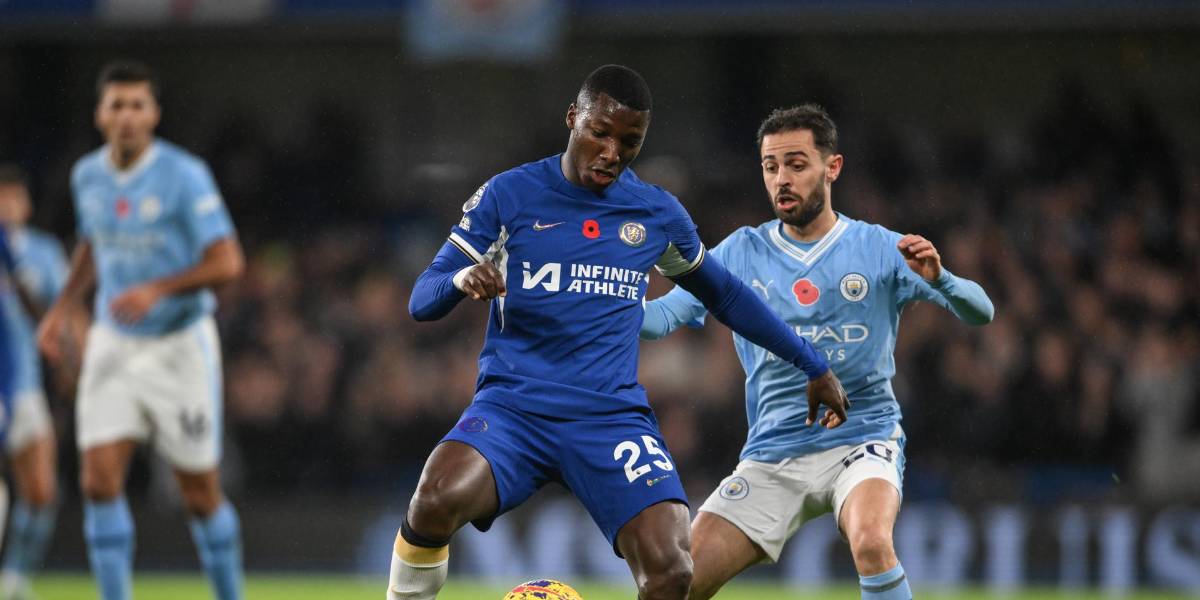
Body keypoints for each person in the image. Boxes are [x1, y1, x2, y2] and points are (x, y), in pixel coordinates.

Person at [394, 65, 849, 600]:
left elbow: (724, 295)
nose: (612, 153)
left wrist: (811, 363)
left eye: (629, 142)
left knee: (672, 569)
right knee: (434, 498)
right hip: (515, 407)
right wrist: (461, 278)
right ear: (573, 119)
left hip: (608, 418)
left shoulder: (654, 214)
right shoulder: (509, 196)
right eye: (600, 134)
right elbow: (423, 299)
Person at [640, 104, 995, 600]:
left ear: (833, 167)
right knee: (674, 585)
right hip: (771, 454)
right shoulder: (739, 253)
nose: (781, 179)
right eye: (771, 167)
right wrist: (591, 295)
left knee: (872, 542)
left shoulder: (877, 247)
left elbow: (981, 311)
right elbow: (659, 320)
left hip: (862, 438)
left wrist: (942, 279)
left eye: (796, 164)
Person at [36, 60, 245, 600]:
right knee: (97, 482)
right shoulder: (87, 175)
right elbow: (93, 245)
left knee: (199, 493)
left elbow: (228, 261)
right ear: (100, 115)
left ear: (153, 114)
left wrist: (159, 288)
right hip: (113, 342)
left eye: (136, 105)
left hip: (179, 343)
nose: (126, 116)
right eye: (116, 105)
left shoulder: (184, 174)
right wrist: (62, 308)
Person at [0, 165, 68, 600]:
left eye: (12, 197)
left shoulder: (43, 252)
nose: (6, 206)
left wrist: (70, 363)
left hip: (22, 384)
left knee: (42, 491)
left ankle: (15, 579)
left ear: (25, 203)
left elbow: (62, 316)